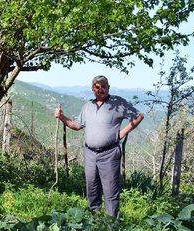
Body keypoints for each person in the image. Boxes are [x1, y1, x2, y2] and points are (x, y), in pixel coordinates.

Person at [55, 75, 144, 217]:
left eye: (103, 86)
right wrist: (62, 118)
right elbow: (77, 125)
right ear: (92, 89)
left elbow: (138, 116)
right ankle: (94, 220)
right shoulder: (87, 106)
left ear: (108, 87)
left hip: (109, 153)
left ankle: (111, 224)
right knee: (92, 188)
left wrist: (122, 133)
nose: (100, 89)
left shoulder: (117, 103)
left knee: (110, 191)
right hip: (90, 153)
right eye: (97, 87)